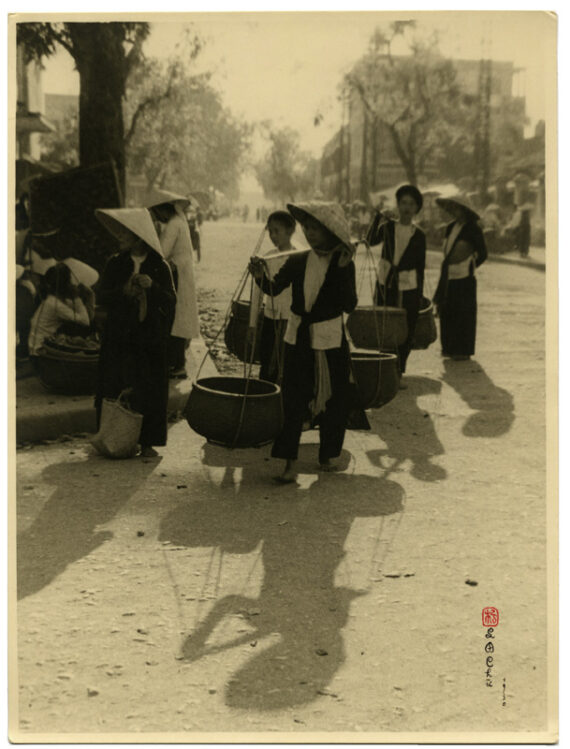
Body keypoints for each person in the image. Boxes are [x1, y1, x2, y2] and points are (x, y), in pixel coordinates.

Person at [249, 201, 358, 484]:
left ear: (330, 233)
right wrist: (261, 276)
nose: (310, 234)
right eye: (307, 228)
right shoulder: (298, 260)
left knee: (335, 398)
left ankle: (328, 453)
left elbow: (349, 304)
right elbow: (275, 288)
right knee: (293, 399)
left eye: (316, 230)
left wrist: (345, 270)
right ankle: (289, 462)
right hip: (297, 338)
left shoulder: (342, 262)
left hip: (329, 340)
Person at [95, 208, 176, 458]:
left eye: (125, 234)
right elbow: (101, 295)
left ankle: (148, 441)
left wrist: (153, 288)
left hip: (148, 339)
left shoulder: (160, 266)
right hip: (119, 336)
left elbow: (171, 301)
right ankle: (111, 436)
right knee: (114, 382)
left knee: (148, 386)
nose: (119, 237)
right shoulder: (115, 263)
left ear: (138, 237)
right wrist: (123, 292)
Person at [366, 184, 426, 385]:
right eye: (403, 203)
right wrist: (378, 218)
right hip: (387, 282)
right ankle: (385, 370)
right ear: (398, 205)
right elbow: (370, 240)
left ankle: (399, 372)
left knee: (405, 328)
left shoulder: (419, 235)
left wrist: (418, 294)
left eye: (411, 203)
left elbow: (420, 267)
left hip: (409, 286)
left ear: (417, 207)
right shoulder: (388, 227)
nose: (407, 207)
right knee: (385, 324)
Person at [149, 192, 200, 379]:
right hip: (182, 271)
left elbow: (162, 251)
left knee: (176, 319)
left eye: (158, 213)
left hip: (178, 273)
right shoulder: (180, 221)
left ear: (163, 210)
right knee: (180, 318)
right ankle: (177, 362)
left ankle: (178, 365)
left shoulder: (172, 225)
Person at [433, 195, 488, 361]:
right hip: (448, 275)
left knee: (463, 314)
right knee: (448, 312)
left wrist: (471, 265)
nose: (454, 212)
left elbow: (483, 253)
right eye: (452, 208)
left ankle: (463, 349)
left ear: (464, 210)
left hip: (465, 277)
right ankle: (449, 348)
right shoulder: (450, 227)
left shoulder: (473, 229)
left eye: (457, 208)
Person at [250, 210, 297, 383]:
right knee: (267, 360)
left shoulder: (298, 256)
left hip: (291, 319)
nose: (273, 235)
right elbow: (258, 292)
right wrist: (252, 323)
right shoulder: (268, 257)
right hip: (271, 317)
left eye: (277, 231)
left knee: (287, 365)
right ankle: (266, 396)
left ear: (290, 230)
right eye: (270, 231)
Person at [28, 263, 94, 358]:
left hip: (38, 346)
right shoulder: (55, 305)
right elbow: (86, 321)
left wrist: (85, 297)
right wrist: (77, 298)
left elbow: (85, 316)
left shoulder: (52, 300)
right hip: (40, 352)